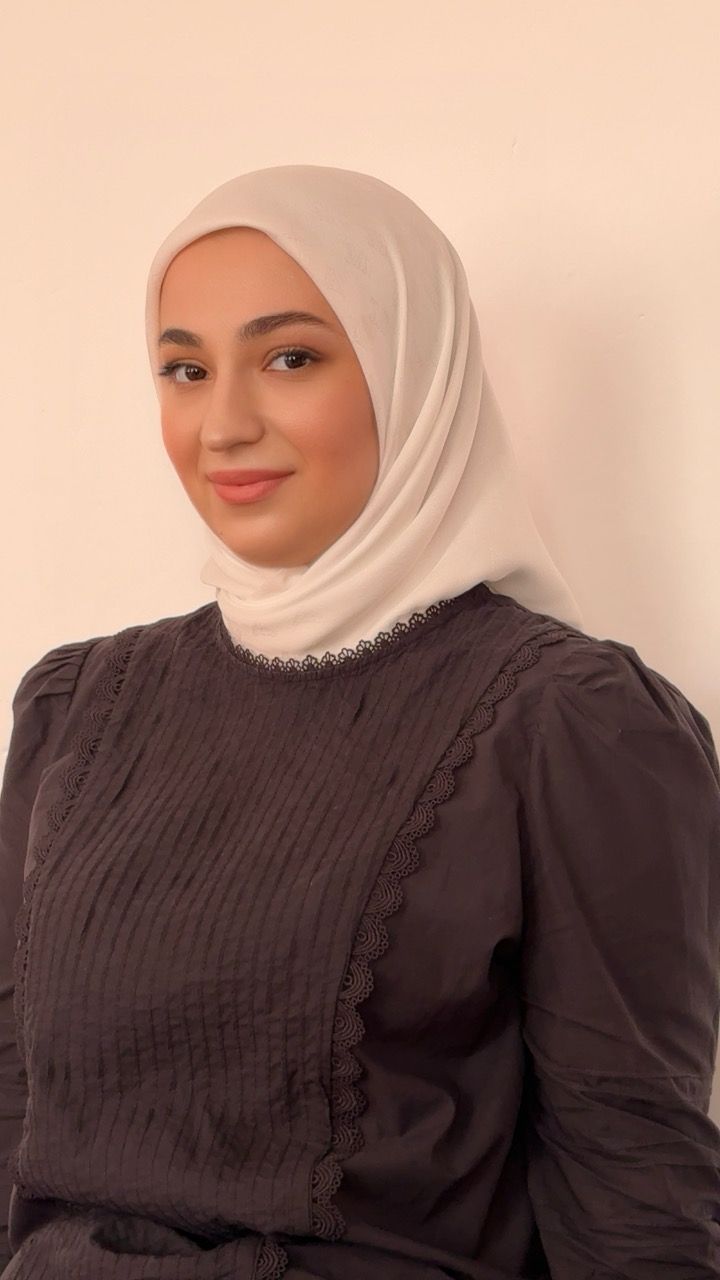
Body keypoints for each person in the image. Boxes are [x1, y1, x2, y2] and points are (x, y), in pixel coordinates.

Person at [0, 164, 718, 1280]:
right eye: (186, 369)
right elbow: (13, 1108)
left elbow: (634, 1186)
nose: (224, 424)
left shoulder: (569, 727)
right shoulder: (77, 706)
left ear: (411, 371)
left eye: (290, 358)